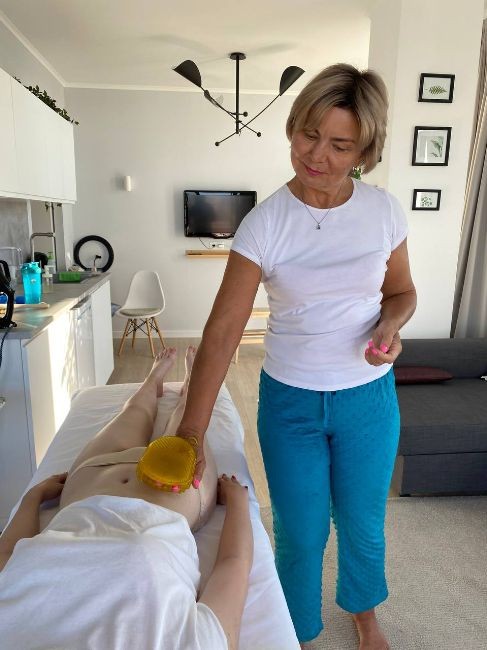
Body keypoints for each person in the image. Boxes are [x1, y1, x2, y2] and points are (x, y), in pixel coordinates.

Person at [175, 63, 417, 649]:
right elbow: (222, 332)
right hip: (290, 404)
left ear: (364, 152)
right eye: (309, 134)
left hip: (368, 400)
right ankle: (298, 632)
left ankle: (364, 611)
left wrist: (390, 324)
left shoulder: (384, 212)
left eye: (340, 145)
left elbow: (402, 293)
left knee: (363, 524)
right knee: (300, 534)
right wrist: (191, 432)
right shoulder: (265, 223)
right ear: (293, 128)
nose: (317, 156)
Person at [0, 347, 253, 650]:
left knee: (133, 412)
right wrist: (238, 503)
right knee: (186, 418)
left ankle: (154, 379)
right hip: (152, 495)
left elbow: (8, 554)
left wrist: (34, 497)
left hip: (90, 482)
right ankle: (189, 382)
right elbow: (233, 565)